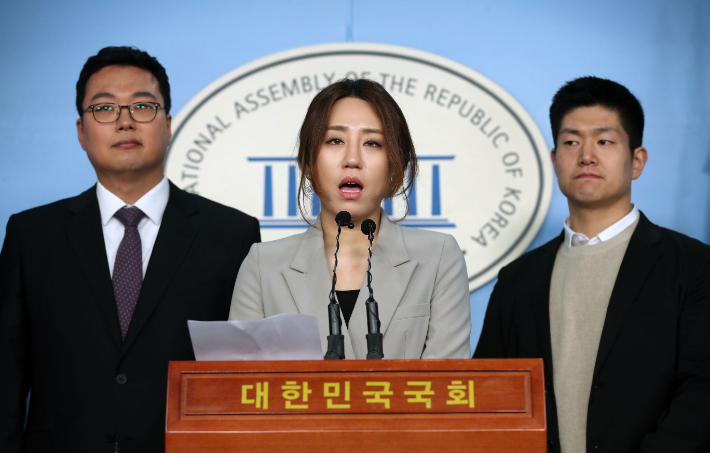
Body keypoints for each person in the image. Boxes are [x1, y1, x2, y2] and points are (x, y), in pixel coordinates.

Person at [0, 46, 261, 453]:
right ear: (81, 132)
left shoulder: (231, 234)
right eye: (104, 108)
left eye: (142, 106)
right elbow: (7, 374)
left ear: (168, 125)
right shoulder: (32, 236)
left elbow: (245, 375)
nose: (125, 121)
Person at [474, 76, 710, 452]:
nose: (586, 155)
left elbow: (701, 390)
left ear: (637, 161)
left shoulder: (693, 265)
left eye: (604, 141)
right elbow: (491, 395)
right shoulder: (518, 278)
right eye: (571, 142)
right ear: (554, 159)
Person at [230, 78, 471, 360]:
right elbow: (241, 381)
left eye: (372, 143)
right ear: (307, 161)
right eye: (335, 140)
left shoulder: (438, 256)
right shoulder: (263, 265)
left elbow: (446, 380)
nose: (352, 159)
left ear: (395, 165)